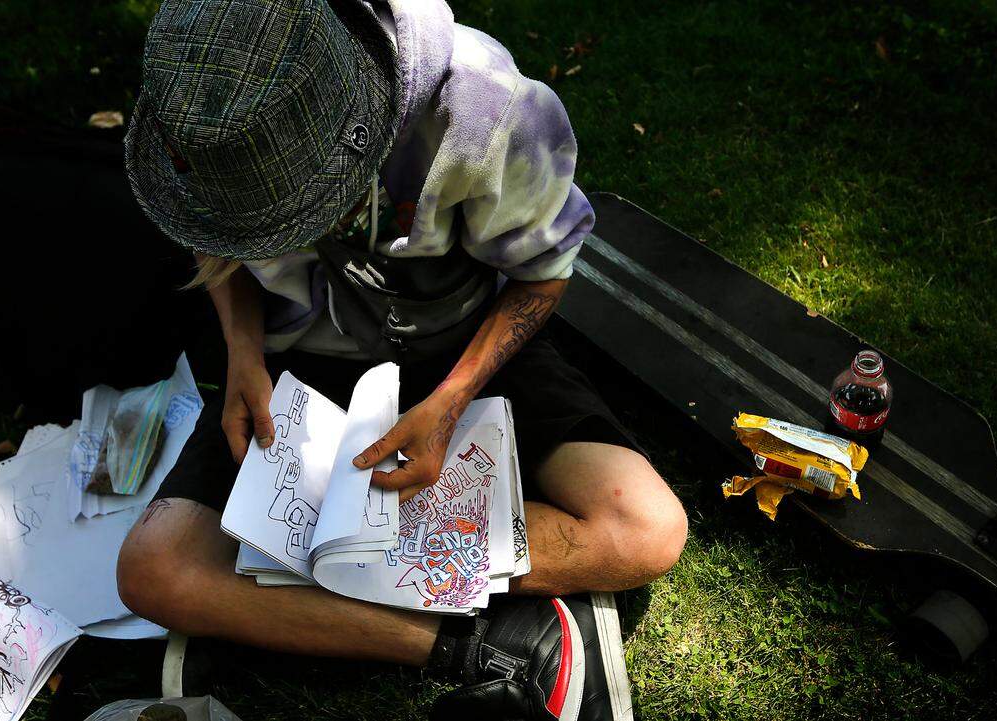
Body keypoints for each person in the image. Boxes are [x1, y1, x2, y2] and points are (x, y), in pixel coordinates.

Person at [114, 1, 688, 718]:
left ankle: (304, 588)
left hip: (464, 347)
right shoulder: (202, 108)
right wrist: (241, 351)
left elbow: (544, 274)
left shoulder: (482, 109)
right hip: (300, 365)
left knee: (646, 525)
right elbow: (211, 238)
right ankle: (495, 640)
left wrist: (451, 401)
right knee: (150, 569)